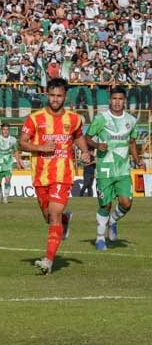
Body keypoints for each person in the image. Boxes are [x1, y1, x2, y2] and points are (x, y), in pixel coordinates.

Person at [19, 78, 90, 275]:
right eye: (52, 95)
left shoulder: (74, 119)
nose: (55, 99)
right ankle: (65, 221)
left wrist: (84, 151)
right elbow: (22, 142)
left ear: (65, 96)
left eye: (59, 95)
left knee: (54, 214)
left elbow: (78, 136)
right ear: (46, 95)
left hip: (63, 174)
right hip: (41, 176)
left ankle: (48, 260)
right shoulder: (35, 118)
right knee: (48, 217)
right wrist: (40, 147)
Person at [85, 87, 142, 250]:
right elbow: (87, 138)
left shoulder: (131, 120)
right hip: (105, 169)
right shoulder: (101, 118)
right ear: (110, 100)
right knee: (105, 205)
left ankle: (113, 220)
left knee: (127, 203)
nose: (117, 102)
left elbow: (132, 142)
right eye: (114, 99)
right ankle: (100, 238)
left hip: (123, 170)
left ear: (125, 101)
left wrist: (137, 160)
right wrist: (96, 145)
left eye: (120, 99)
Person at [0, 122, 23, 204]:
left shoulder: (13, 140)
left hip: (8, 163)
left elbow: (16, 151)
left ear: (9, 130)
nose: (5, 131)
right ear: (1, 130)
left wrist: (17, 162)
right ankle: (0, 194)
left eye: (7, 129)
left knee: (7, 180)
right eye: (4, 129)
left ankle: (5, 198)